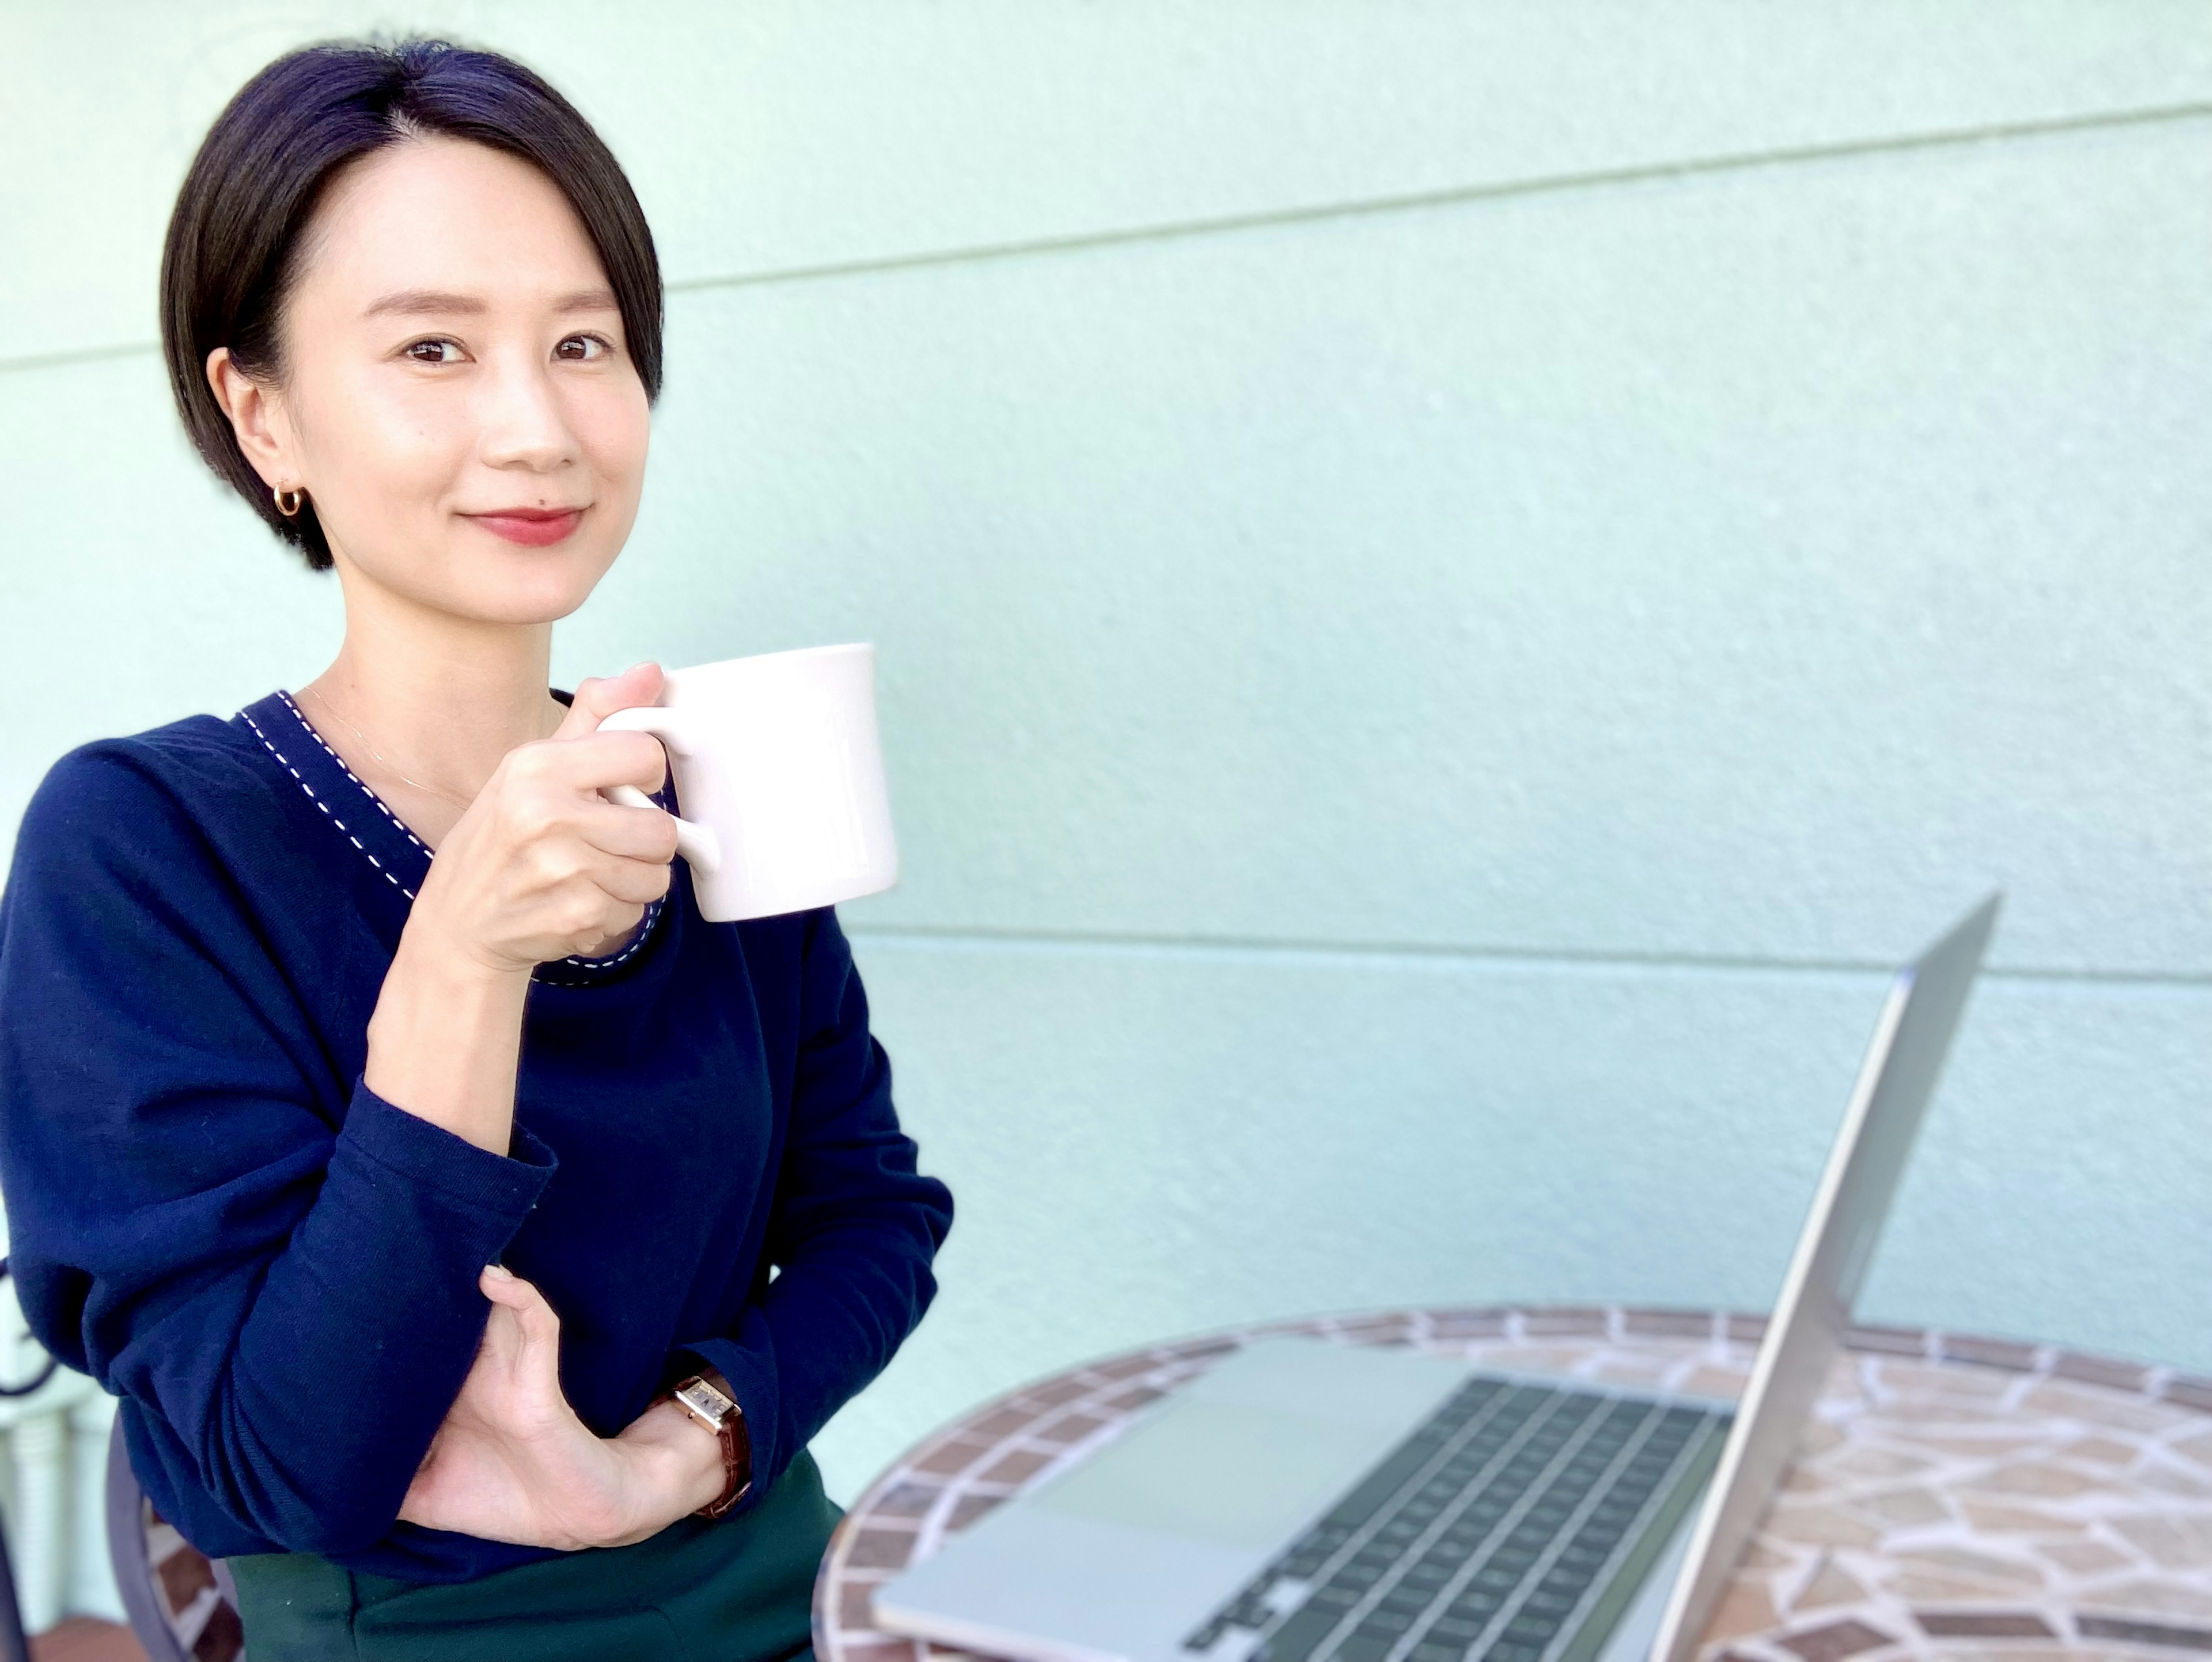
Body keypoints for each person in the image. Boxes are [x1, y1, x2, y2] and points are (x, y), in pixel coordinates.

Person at [0, 37, 952, 1661]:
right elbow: (285, 1464)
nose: (538, 427)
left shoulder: (703, 780)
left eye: (583, 341)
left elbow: (874, 1214)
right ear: (263, 414)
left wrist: (684, 1450)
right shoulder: (142, 848)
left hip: (795, 1581)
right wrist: (464, 959)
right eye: (433, 348)